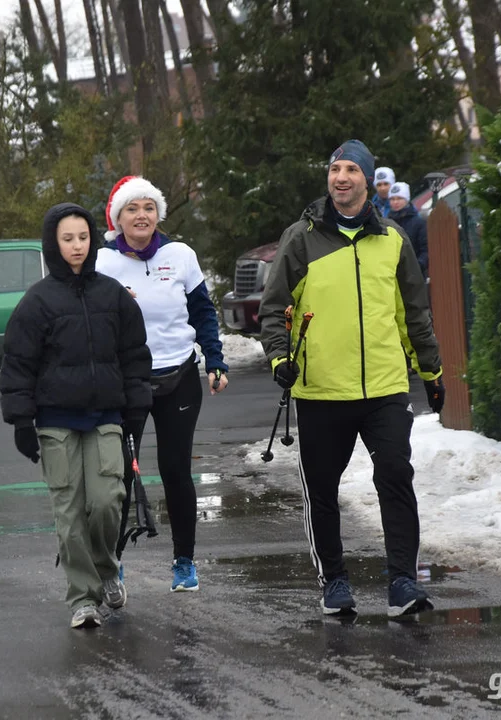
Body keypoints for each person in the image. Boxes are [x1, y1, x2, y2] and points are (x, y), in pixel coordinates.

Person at [257, 140, 445, 618]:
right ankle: (334, 582)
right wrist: (280, 360)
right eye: (334, 169)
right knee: (322, 489)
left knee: (396, 477)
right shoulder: (300, 238)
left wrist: (432, 370)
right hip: (320, 389)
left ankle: (403, 582)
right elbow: (274, 307)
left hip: (384, 386)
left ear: (367, 180)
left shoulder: (394, 240)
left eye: (350, 170)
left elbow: (414, 314)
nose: (340, 177)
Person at [0, 202, 152, 630]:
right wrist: (21, 421)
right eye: (67, 239)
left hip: (106, 415)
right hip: (54, 421)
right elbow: (17, 364)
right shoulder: (37, 302)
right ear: (53, 244)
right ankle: (82, 598)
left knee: (106, 503)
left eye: (83, 237)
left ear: (93, 240)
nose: (76, 246)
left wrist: (136, 409)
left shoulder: (112, 296)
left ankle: (107, 570)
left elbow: (135, 356)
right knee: (69, 514)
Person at [96, 175, 230, 593]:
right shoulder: (101, 263)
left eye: (149, 208)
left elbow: (203, 311)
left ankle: (184, 562)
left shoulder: (180, 254)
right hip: (126, 382)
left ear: (159, 215)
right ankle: (112, 564)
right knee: (119, 476)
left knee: (176, 472)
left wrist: (215, 359)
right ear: (118, 217)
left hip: (179, 376)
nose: (141, 215)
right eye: (132, 209)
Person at [388, 181, 429, 277]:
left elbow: (425, 250)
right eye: (392, 199)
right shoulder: (386, 222)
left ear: (406, 199)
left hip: (414, 275)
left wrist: (417, 266)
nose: (395, 202)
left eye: (399, 198)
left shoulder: (418, 223)